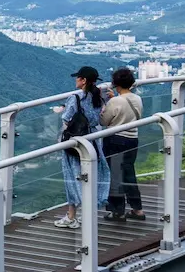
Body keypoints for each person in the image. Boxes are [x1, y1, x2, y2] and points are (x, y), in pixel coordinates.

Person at [54, 66, 111, 229]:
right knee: (89, 176)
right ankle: (79, 214)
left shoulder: (75, 97)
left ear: (83, 80)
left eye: (78, 77)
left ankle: (73, 217)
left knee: (73, 178)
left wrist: (64, 111)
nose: (75, 80)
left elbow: (66, 119)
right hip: (92, 141)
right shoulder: (98, 96)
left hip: (75, 143)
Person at [101, 67, 144, 222]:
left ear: (115, 83)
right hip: (133, 139)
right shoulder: (137, 98)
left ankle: (118, 211)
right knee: (129, 173)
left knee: (115, 175)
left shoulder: (115, 101)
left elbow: (104, 121)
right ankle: (137, 209)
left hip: (115, 139)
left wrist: (108, 103)